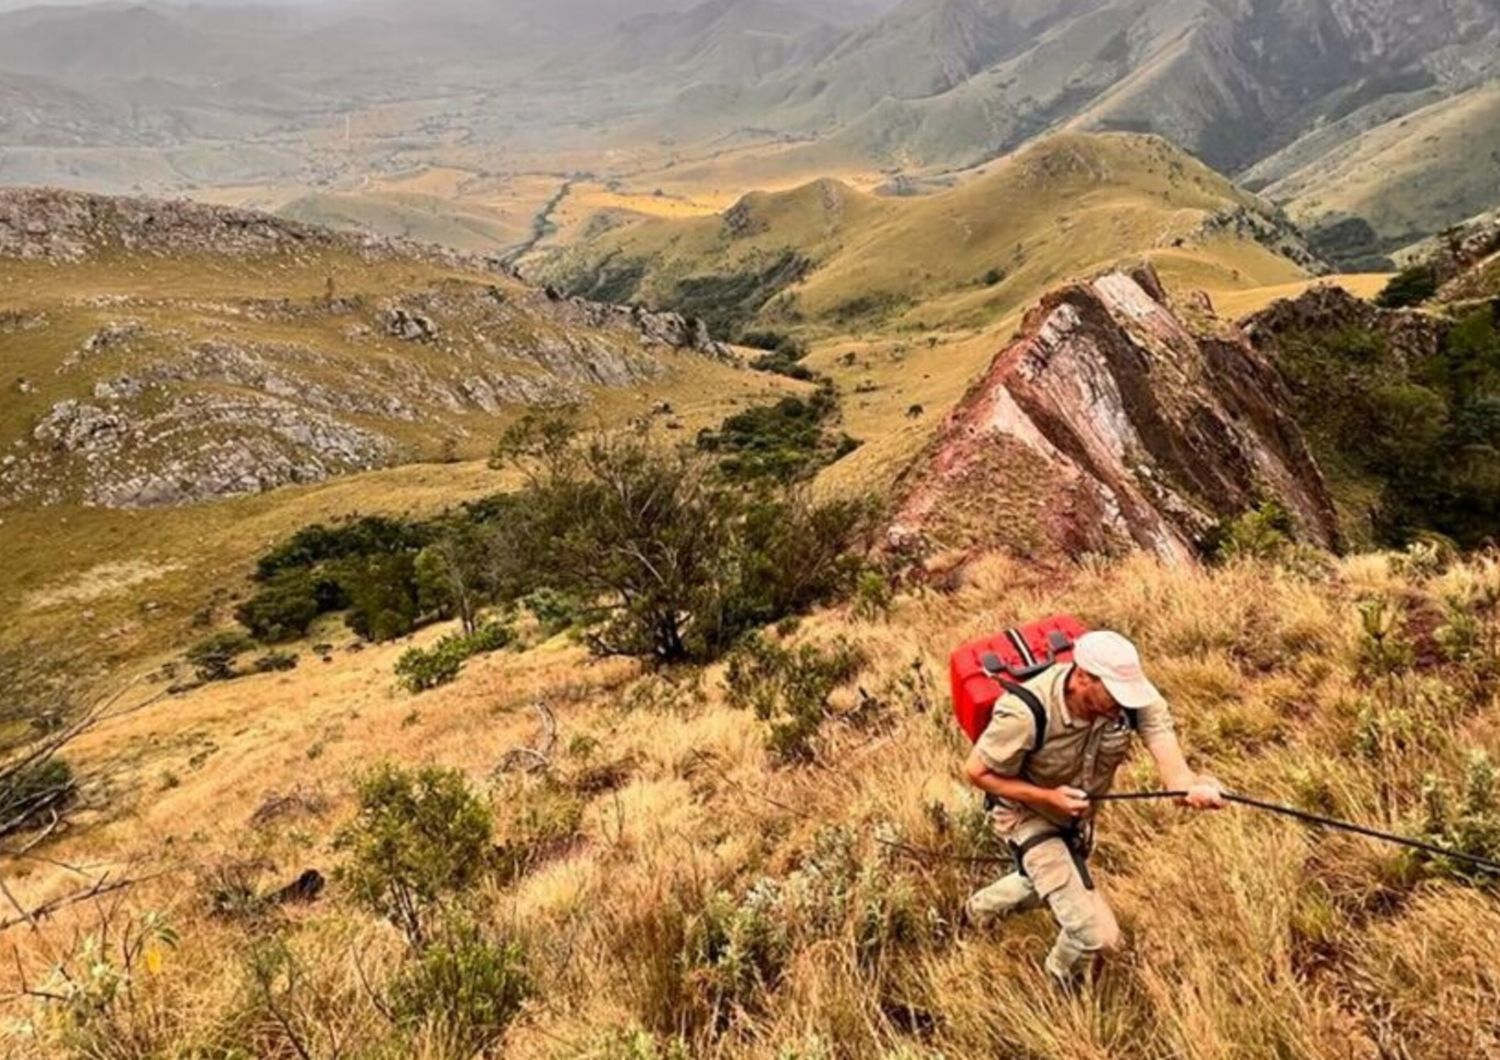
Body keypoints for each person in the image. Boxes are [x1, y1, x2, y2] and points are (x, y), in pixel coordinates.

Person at [962, 629, 1224, 983]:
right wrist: (1048, 797)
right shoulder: (1024, 713)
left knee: (1044, 880)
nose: (1124, 704)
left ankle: (976, 913)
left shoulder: (1133, 700)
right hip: (1026, 816)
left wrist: (1191, 788)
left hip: (1075, 820)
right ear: (1083, 677)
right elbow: (977, 772)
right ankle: (1057, 988)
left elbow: (1174, 773)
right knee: (1098, 938)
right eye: (1115, 693)